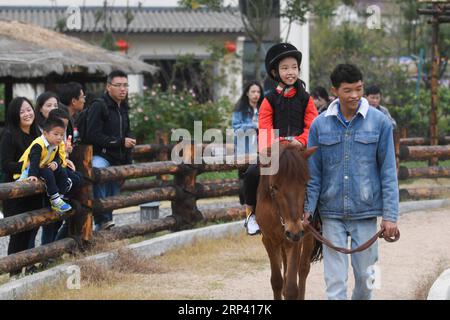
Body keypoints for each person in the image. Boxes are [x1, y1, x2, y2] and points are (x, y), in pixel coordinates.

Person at [304, 64, 399, 300]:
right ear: (334, 90)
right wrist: (306, 211)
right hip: (331, 213)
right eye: (348, 90)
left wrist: (390, 216)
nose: (355, 95)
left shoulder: (380, 123)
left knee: (368, 282)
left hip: (366, 212)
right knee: (335, 283)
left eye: (359, 89)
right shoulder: (319, 125)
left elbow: (389, 172)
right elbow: (313, 175)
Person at [243, 43, 318, 235]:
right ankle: (251, 214)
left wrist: (301, 140)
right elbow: (264, 127)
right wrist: (271, 148)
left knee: (318, 174)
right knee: (251, 173)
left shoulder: (306, 99)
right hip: (275, 152)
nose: (290, 72)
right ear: (275, 72)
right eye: (285, 68)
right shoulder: (268, 100)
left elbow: (313, 125)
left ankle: (320, 213)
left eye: (294, 67)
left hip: (299, 152)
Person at [85, 70, 136, 231]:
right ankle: (101, 220)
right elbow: (92, 135)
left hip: (118, 159)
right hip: (102, 155)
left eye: (125, 85)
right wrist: (120, 142)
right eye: (118, 85)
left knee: (112, 197)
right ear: (108, 87)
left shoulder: (124, 107)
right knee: (98, 171)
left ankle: (103, 228)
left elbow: (127, 135)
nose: (123, 89)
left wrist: (128, 162)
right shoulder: (99, 106)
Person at [0, 97, 44, 267]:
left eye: (29, 109)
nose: (27, 114)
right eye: (22, 111)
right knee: (18, 233)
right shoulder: (9, 135)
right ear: (14, 115)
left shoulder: (36, 133)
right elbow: (5, 165)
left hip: (34, 191)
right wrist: (30, 165)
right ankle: (14, 271)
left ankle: (30, 266)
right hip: (15, 193)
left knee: (31, 230)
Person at [15, 117, 73, 214]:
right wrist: (32, 175)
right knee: (48, 172)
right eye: (56, 134)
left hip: (43, 166)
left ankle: (61, 196)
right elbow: (34, 161)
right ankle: (55, 200)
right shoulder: (38, 144)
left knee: (61, 170)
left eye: (62, 135)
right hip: (29, 169)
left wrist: (55, 163)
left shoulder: (55, 143)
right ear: (45, 133)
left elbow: (57, 157)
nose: (59, 137)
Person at [232, 80, 263, 156]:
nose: (256, 94)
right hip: (243, 149)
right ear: (247, 93)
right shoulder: (240, 109)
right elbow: (236, 128)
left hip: (260, 149)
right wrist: (254, 126)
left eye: (258, 92)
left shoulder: (263, 109)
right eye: (253, 92)